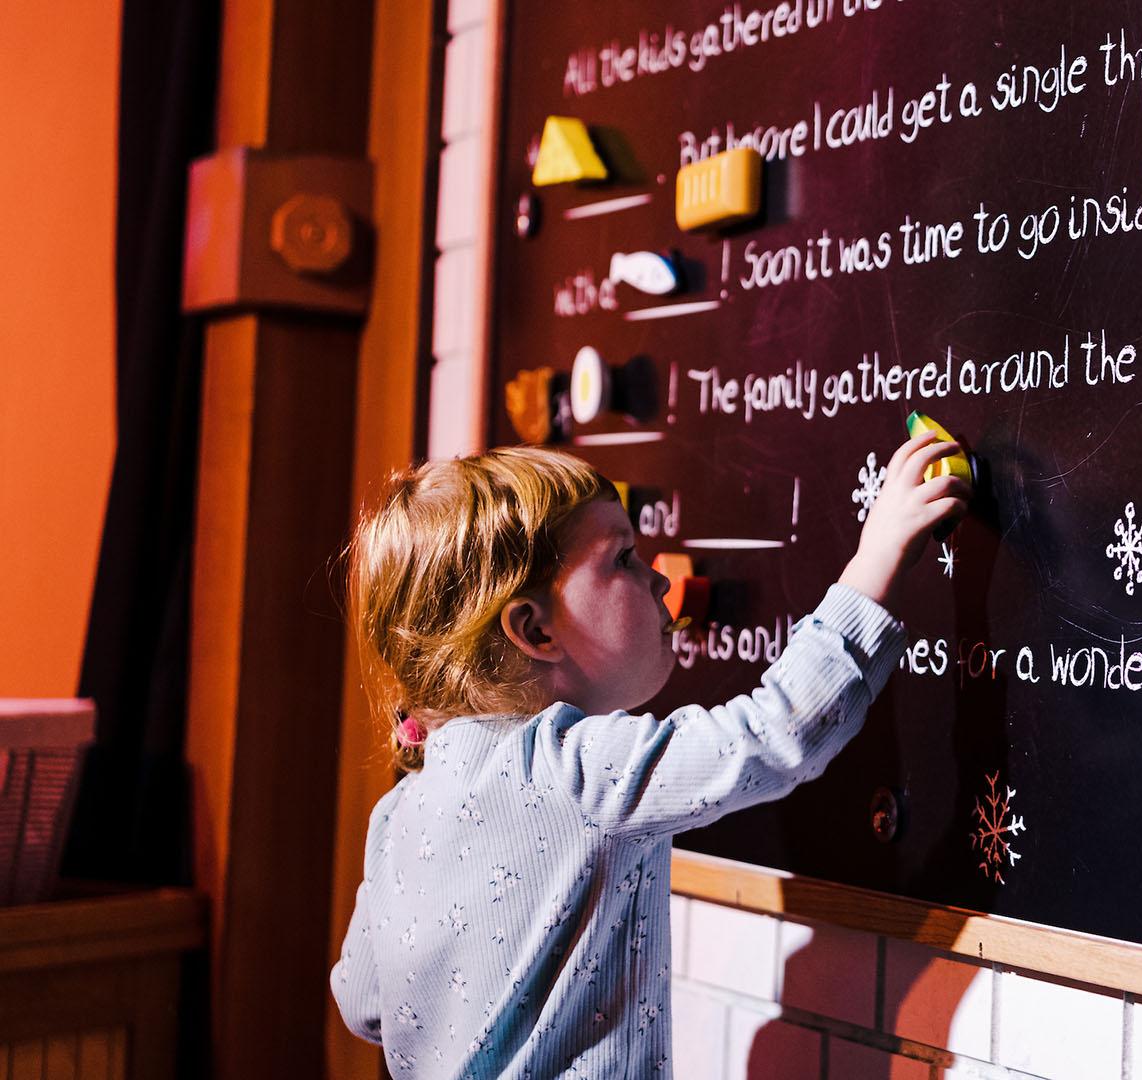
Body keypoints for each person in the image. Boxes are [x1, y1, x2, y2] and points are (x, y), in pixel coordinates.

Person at [331, 432, 968, 1077]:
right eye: (625, 559)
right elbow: (774, 734)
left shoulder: (396, 813)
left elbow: (362, 1002)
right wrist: (877, 557)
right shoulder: (572, 771)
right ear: (535, 630)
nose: (660, 576)